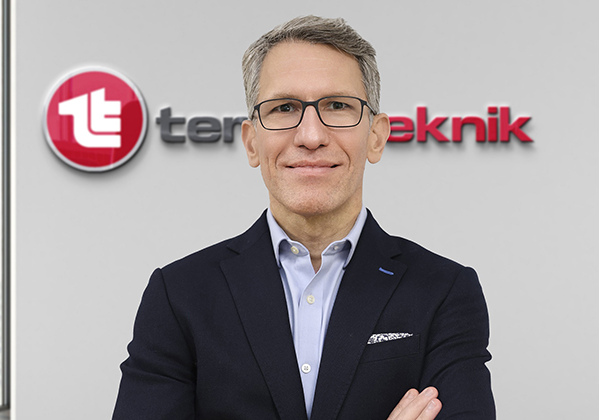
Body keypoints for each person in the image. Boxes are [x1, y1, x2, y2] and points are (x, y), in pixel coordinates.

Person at [112, 15, 495, 420]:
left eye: (338, 106)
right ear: (252, 142)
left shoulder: (444, 291)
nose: (311, 136)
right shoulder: (179, 295)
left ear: (376, 136)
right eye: (284, 108)